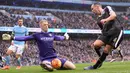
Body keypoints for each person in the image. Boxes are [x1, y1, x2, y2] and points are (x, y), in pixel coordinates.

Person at [2, 20, 76, 71]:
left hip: (55, 57)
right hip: (46, 59)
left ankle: (57, 66)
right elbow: (25, 37)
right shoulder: (37, 35)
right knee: (47, 66)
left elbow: (59, 38)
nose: (46, 26)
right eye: (44, 25)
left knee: (73, 67)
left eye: (47, 24)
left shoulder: (51, 34)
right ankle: (48, 66)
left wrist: (65, 37)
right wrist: (13, 37)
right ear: (40, 25)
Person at [84, 2, 123, 70]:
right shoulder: (98, 20)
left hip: (116, 31)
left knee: (106, 50)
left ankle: (95, 66)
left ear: (97, 7)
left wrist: (105, 20)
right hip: (107, 33)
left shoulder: (107, 8)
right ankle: (101, 60)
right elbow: (103, 30)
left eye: (92, 9)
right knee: (96, 45)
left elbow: (114, 15)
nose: (92, 11)